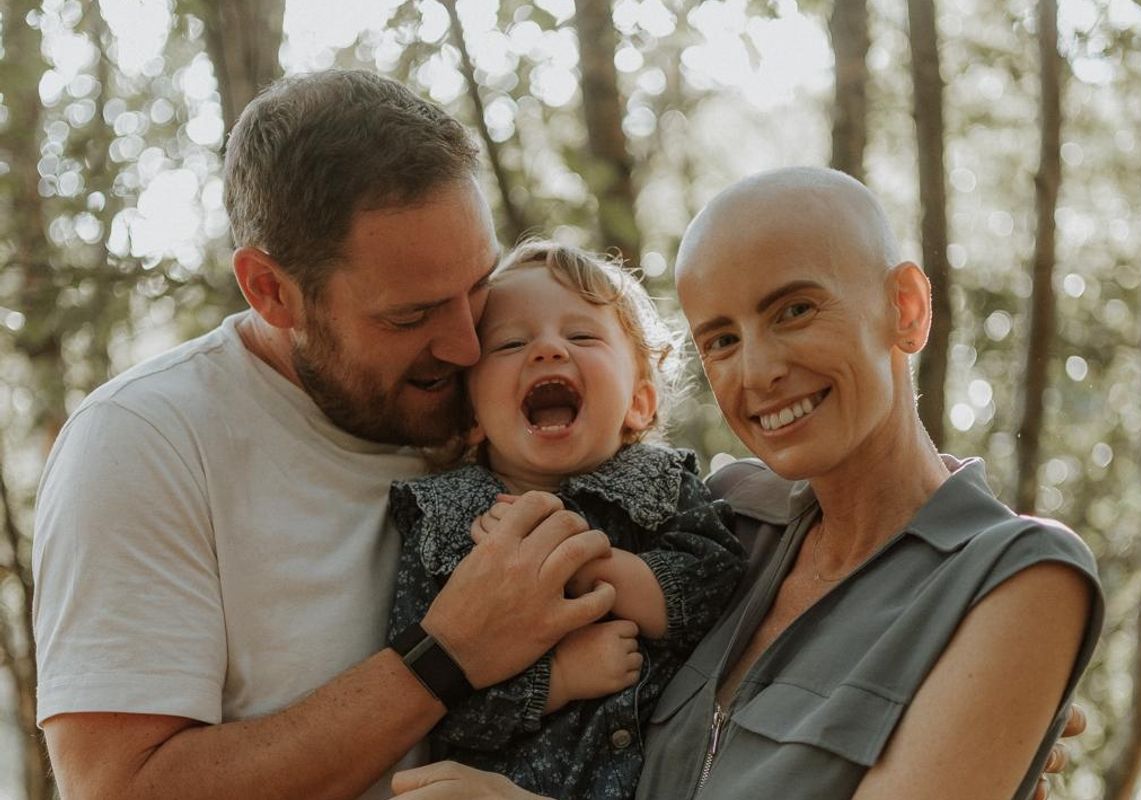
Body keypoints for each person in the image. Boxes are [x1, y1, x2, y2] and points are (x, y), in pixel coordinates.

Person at [387, 168, 1104, 800]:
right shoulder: (729, 518)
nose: (757, 372)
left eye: (794, 310)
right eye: (722, 340)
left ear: (906, 309)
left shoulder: (1014, 576)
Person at [32, 70, 619, 800]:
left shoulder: (491, 388)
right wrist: (447, 655)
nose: (466, 344)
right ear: (271, 291)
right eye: (410, 316)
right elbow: (119, 789)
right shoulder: (148, 443)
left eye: (477, 286)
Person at [385, 240, 746, 800]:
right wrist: (558, 679)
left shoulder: (660, 484)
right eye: (511, 343)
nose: (548, 350)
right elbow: (427, 694)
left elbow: (717, 592)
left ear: (639, 403)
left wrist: (584, 564)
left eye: (581, 336)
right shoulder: (445, 521)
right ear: (472, 416)